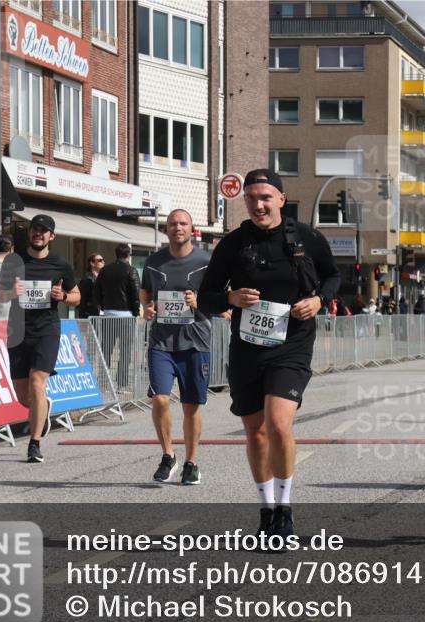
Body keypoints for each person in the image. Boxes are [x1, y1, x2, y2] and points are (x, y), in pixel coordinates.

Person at [198, 168, 340, 537]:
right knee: (256, 434)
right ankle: (267, 509)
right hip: (247, 348)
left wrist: (318, 300)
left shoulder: (306, 237)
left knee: (278, 425)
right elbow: (205, 297)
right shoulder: (233, 244)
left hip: (291, 344)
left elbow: (334, 276)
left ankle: (286, 508)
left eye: (265, 197)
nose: (258, 205)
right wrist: (229, 297)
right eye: (251, 198)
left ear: (281, 198)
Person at [0, 214, 80, 463]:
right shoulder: (14, 261)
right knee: (24, 398)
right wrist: (12, 291)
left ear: (51, 236)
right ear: (29, 232)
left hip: (47, 330)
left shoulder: (61, 264)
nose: (38, 234)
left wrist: (63, 296)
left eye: (44, 231)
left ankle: (34, 444)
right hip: (18, 331)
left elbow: (77, 295)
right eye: (35, 229)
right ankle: (42, 408)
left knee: (37, 381)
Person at [140, 210, 213, 486]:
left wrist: (200, 301)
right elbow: (146, 291)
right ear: (167, 229)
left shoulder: (206, 261)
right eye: (172, 224)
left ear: (192, 228)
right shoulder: (153, 261)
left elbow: (219, 297)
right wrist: (146, 308)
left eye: (183, 223)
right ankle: (168, 455)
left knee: (191, 406)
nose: (177, 228)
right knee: (159, 398)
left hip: (195, 341)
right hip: (161, 341)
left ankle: (191, 462)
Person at [95, 243, 140, 387]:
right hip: (126, 315)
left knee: (106, 349)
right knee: (125, 350)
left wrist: (103, 307)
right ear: (128, 255)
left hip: (108, 314)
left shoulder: (104, 270)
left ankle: (103, 381)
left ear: (115, 254)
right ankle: (122, 382)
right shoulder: (131, 270)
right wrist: (136, 312)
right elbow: (135, 294)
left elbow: (97, 292)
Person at [75, 252, 104, 318]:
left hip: (98, 314)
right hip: (89, 315)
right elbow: (82, 300)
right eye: (100, 260)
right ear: (92, 263)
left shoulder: (100, 279)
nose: (103, 262)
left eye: (103, 260)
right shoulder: (87, 279)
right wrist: (85, 315)